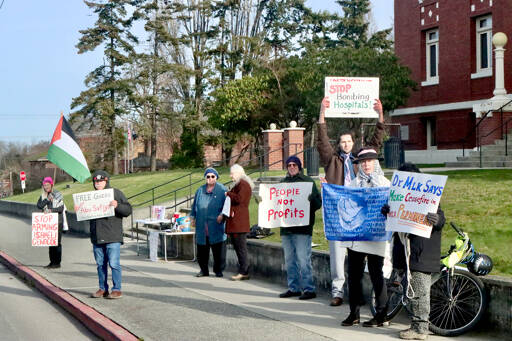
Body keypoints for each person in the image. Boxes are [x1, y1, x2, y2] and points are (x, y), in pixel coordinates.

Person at [317, 97, 385, 306]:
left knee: (360, 254)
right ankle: (337, 292)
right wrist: (322, 112)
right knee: (337, 254)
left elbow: (376, 141)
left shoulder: (361, 160)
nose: (346, 144)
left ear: (353, 143)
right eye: (342, 141)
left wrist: (380, 114)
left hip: (360, 215)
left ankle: (359, 294)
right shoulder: (332, 159)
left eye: (349, 141)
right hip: (338, 212)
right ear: (339, 144)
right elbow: (322, 139)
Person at [381, 162, 445, 340]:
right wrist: (387, 212)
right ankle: (416, 325)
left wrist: (437, 219)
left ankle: (420, 329)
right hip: (407, 252)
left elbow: (441, 219)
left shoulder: (428, 195)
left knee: (420, 291)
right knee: (413, 290)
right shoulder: (397, 196)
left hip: (421, 252)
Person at [340, 148, 390, 327]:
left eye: (370, 161)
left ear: (376, 162)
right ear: (359, 164)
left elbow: (393, 209)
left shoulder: (385, 184)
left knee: (377, 274)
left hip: (377, 235)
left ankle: (382, 314)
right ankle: (354, 313)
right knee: (354, 275)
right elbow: (345, 205)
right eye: (363, 162)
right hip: (358, 236)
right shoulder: (353, 185)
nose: (366, 164)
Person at [279, 156, 322, 300]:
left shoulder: (308, 182)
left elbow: (318, 204)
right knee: (289, 260)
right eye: (289, 165)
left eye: (294, 165)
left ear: (299, 166)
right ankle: (294, 288)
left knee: (304, 260)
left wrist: (312, 199)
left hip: (303, 228)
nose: (291, 167)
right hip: (286, 228)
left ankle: (309, 289)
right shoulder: (282, 183)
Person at [89, 170, 132, 299]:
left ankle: (117, 289)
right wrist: (80, 210)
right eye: (96, 181)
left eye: (101, 181)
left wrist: (117, 205)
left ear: (106, 181)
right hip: (97, 236)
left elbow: (128, 210)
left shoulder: (116, 193)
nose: (98, 183)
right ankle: (103, 289)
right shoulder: (91, 197)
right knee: (100, 265)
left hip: (113, 236)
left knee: (114, 264)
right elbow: (87, 215)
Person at [190, 167, 227, 278]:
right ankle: (203, 270)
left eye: (212, 176)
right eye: (208, 176)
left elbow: (227, 206)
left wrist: (222, 214)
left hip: (216, 225)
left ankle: (218, 270)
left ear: (216, 177)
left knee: (218, 250)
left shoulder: (222, 189)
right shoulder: (200, 190)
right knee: (202, 250)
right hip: (202, 225)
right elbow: (194, 205)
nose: (210, 178)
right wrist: (192, 217)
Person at [224, 164, 254, 281]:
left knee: (241, 248)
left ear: (238, 173)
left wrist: (228, 194)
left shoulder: (243, 184)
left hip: (239, 222)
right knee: (238, 248)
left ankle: (244, 271)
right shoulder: (240, 184)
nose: (230, 176)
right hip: (237, 221)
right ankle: (243, 270)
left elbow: (239, 199)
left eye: (232, 173)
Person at [36, 177, 64, 269]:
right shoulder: (43, 196)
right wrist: (47, 199)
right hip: (48, 223)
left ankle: (57, 262)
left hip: (57, 221)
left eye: (48, 185)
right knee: (50, 242)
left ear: (51, 185)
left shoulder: (57, 194)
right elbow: (39, 206)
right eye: (44, 185)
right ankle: (52, 262)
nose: (46, 187)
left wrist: (51, 210)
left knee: (57, 243)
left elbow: (61, 208)